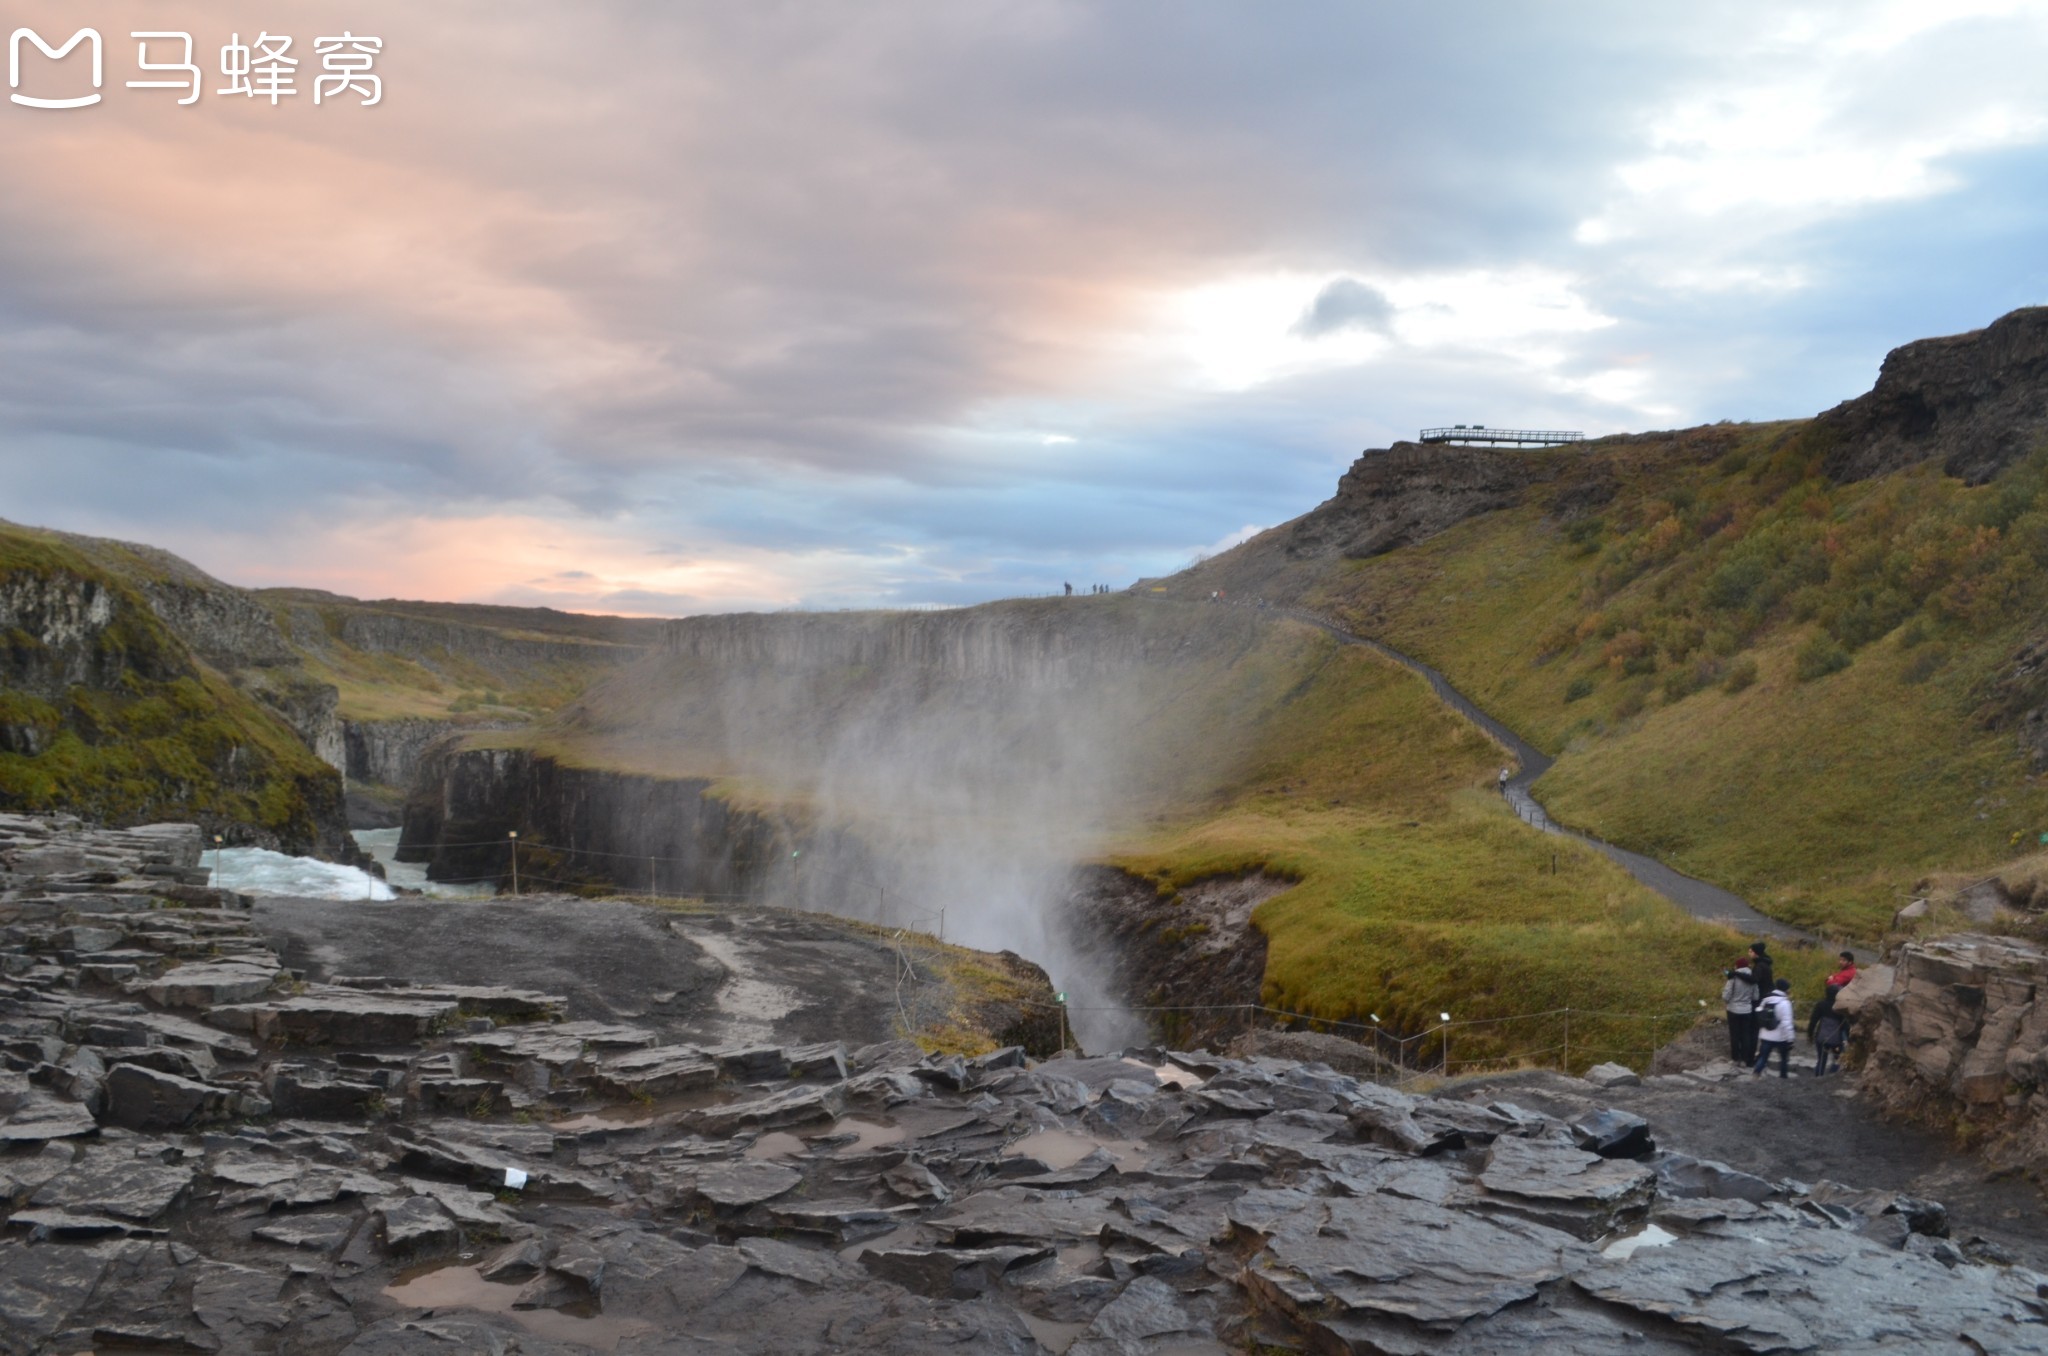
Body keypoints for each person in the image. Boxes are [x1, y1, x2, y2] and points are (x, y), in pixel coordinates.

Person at [1753, 979, 1795, 1078]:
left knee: (1763, 1057)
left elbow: (1760, 1015)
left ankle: (1756, 1074)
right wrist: (1790, 1038)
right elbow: (1787, 1023)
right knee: (1784, 1058)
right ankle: (1783, 1077)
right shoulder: (1785, 1003)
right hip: (1781, 1037)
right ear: (1786, 989)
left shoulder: (1766, 1000)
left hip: (1765, 1035)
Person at [1721, 960, 1759, 1063]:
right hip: (1747, 1010)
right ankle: (1745, 1057)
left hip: (1733, 1009)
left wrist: (1726, 1000)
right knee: (1746, 1034)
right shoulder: (1753, 977)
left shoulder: (1733, 976)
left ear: (1737, 966)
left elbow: (1726, 994)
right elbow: (1756, 996)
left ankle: (1735, 1057)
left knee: (1735, 1034)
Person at [1811, 983, 1852, 1076]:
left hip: (1821, 1038)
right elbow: (1845, 1025)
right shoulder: (1840, 1006)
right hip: (1836, 1040)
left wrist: (1810, 1035)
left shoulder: (1821, 1005)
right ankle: (1832, 1075)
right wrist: (1849, 1039)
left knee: (1821, 1059)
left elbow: (1813, 1021)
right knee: (1838, 1058)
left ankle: (1818, 1077)